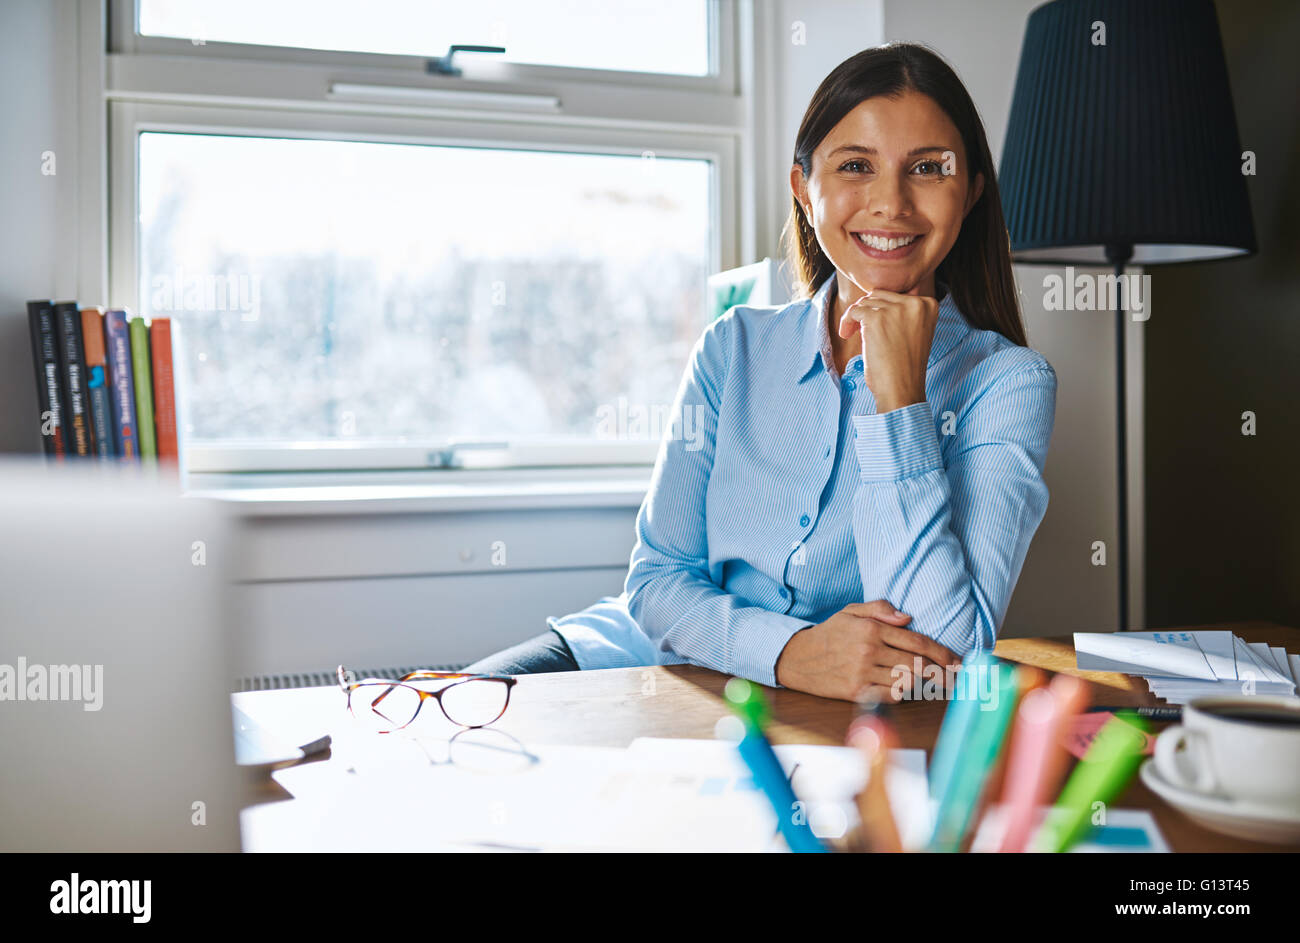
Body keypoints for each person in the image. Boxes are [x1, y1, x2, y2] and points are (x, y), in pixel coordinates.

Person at [464, 42, 1057, 703]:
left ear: (971, 191)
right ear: (805, 189)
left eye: (927, 168)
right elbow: (658, 581)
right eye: (856, 165)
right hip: (645, 658)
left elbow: (941, 655)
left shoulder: (1007, 385)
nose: (891, 203)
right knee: (432, 716)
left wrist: (899, 401)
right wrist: (794, 652)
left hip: (816, 718)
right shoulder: (733, 346)